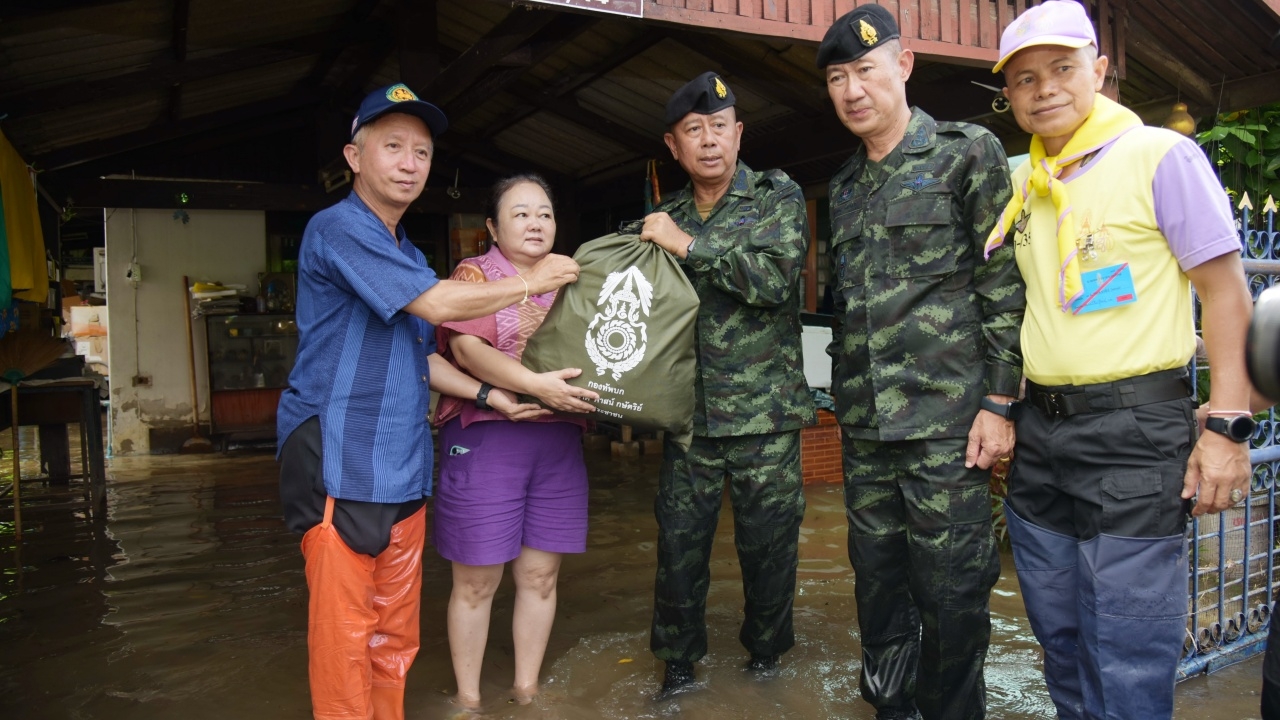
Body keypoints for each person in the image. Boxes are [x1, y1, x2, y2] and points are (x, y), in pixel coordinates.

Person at [276, 83, 581, 720]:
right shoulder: (338, 229)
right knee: (344, 640)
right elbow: (440, 308)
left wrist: (493, 395)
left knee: (394, 640)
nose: (411, 163)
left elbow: (425, 356)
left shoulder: (407, 253)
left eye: (422, 152)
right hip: (340, 457)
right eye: (393, 147)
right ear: (354, 157)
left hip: (404, 464)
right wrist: (531, 280)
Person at [986, 2, 1255, 718]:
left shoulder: (1160, 156)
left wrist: (1226, 427)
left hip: (1136, 433)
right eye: (1024, 79)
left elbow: (1226, 292)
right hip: (1043, 436)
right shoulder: (1025, 185)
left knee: (1129, 649)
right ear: (1008, 96)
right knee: (1059, 634)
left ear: (1101, 71)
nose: (1044, 89)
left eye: (1063, 69)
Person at [815, 6, 1024, 719]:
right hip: (868, 431)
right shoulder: (842, 189)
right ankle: (891, 711)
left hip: (948, 428)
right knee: (876, 586)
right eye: (838, 78)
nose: (852, 91)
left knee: (954, 592)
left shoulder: (968, 153)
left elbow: (1003, 286)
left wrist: (1000, 404)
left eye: (865, 71)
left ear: (903, 66)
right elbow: (846, 312)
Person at [638, 71, 816, 696]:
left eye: (719, 127)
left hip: (766, 415)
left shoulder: (775, 196)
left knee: (770, 549)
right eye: (694, 131)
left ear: (739, 133)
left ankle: (766, 661)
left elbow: (774, 283)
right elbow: (645, 317)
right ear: (674, 145)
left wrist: (687, 246)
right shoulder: (662, 217)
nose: (708, 140)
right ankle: (678, 663)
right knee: (679, 548)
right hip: (689, 418)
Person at [431, 174, 599, 712]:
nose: (535, 223)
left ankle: (526, 691)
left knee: (540, 576)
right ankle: (468, 700)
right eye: (521, 213)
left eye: (545, 213)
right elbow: (468, 352)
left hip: (557, 443)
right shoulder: (474, 275)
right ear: (492, 227)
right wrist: (534, 385)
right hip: (487, 437)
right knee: (477, 581)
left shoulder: (572, 277)